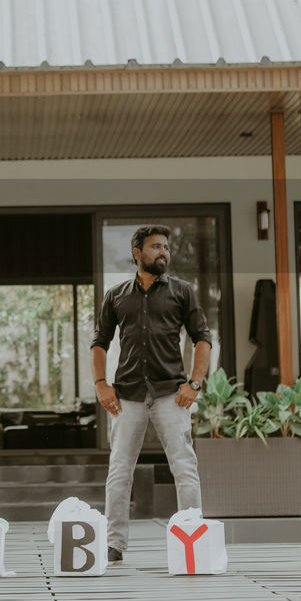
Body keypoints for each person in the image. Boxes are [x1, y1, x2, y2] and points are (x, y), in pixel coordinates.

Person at [92, 225, 212, 565]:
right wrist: (101, 383)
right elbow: (99, 341)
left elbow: (202, 337)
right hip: (126, 394)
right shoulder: (116, 295)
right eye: (156, 246)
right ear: (137, 253)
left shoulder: (183, 292)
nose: (164, 252)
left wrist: (196, 383)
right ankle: (114, 545)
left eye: (166, 247)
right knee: (119, 469)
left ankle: (192, 537)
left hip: (170, 394)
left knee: (184, 467)